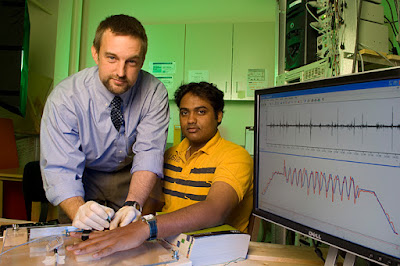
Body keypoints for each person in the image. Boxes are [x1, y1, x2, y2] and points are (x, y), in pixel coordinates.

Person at [66, 82, 253, 259]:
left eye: (201, 112)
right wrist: (126, 226)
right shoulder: (170, 154)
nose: (191, 120)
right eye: (184, 113)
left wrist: (144, 228)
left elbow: (215, 210)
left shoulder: (235, 156)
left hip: (216, 252)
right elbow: (154, 203)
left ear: (218, 116)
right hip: (170, 245)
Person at [40, 14, 169, 231]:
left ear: (142, 61)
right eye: (112, 58)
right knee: (79, 246)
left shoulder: (153, 93)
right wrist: (77, 210)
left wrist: (134, 203)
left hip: (131, 178)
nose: (120, 72)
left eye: (131, 62)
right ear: (95, 53)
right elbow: (61, 167)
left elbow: (149, 153)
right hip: (82, 177)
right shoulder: (65, 98)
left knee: (130, 245)